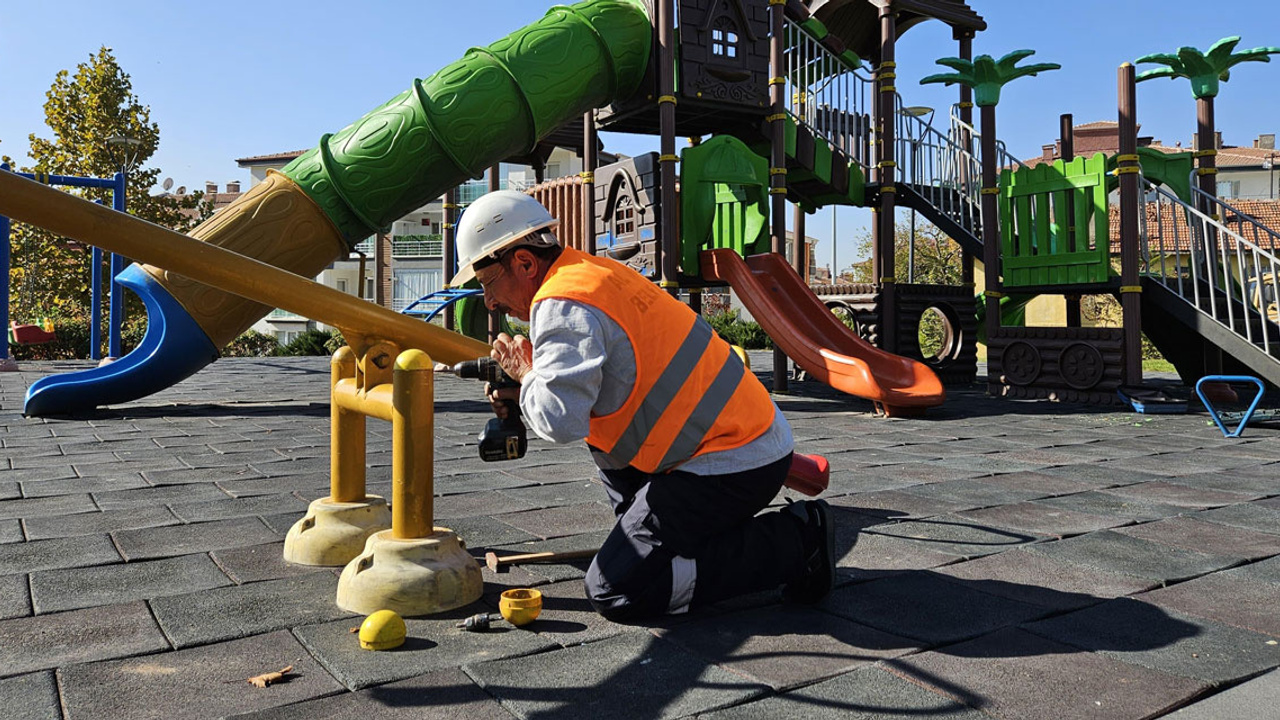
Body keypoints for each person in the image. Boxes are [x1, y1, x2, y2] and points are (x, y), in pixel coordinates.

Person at [451, 190, 834, 622]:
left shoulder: (562, 304)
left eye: (488, 284)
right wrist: (531, 383)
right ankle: (688, 546)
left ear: (523, 263)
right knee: (639, 543)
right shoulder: (587, 273)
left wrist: (526, 376)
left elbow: (560, 422)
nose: (490, 301)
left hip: (731, 459)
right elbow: (598, 390)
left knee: (617, 590)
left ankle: (797, 542)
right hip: (733, 442)